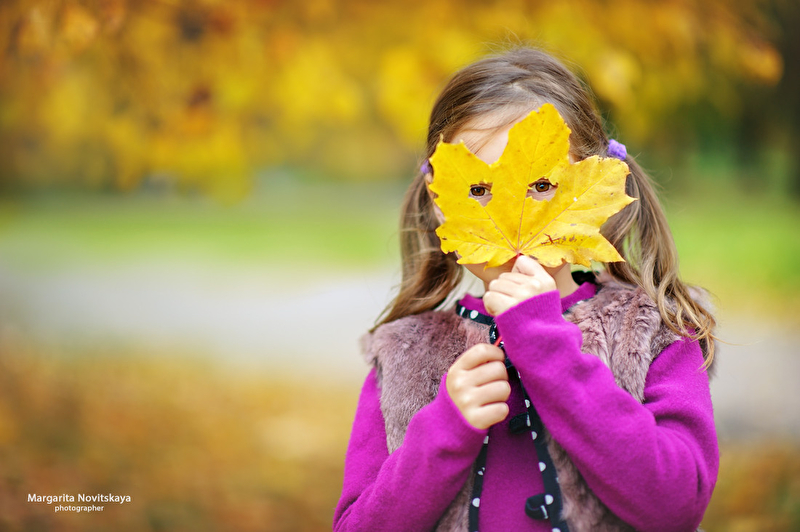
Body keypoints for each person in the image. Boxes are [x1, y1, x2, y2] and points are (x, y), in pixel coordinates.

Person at [333, 47, 718, 532]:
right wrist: (443, 432)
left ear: (593, 187)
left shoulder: (653, 328)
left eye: (541, 185)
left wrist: (547, 349)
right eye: (478, 190)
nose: (516, 211)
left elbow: (678, 504)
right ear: (438, 201)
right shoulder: (403, 352)